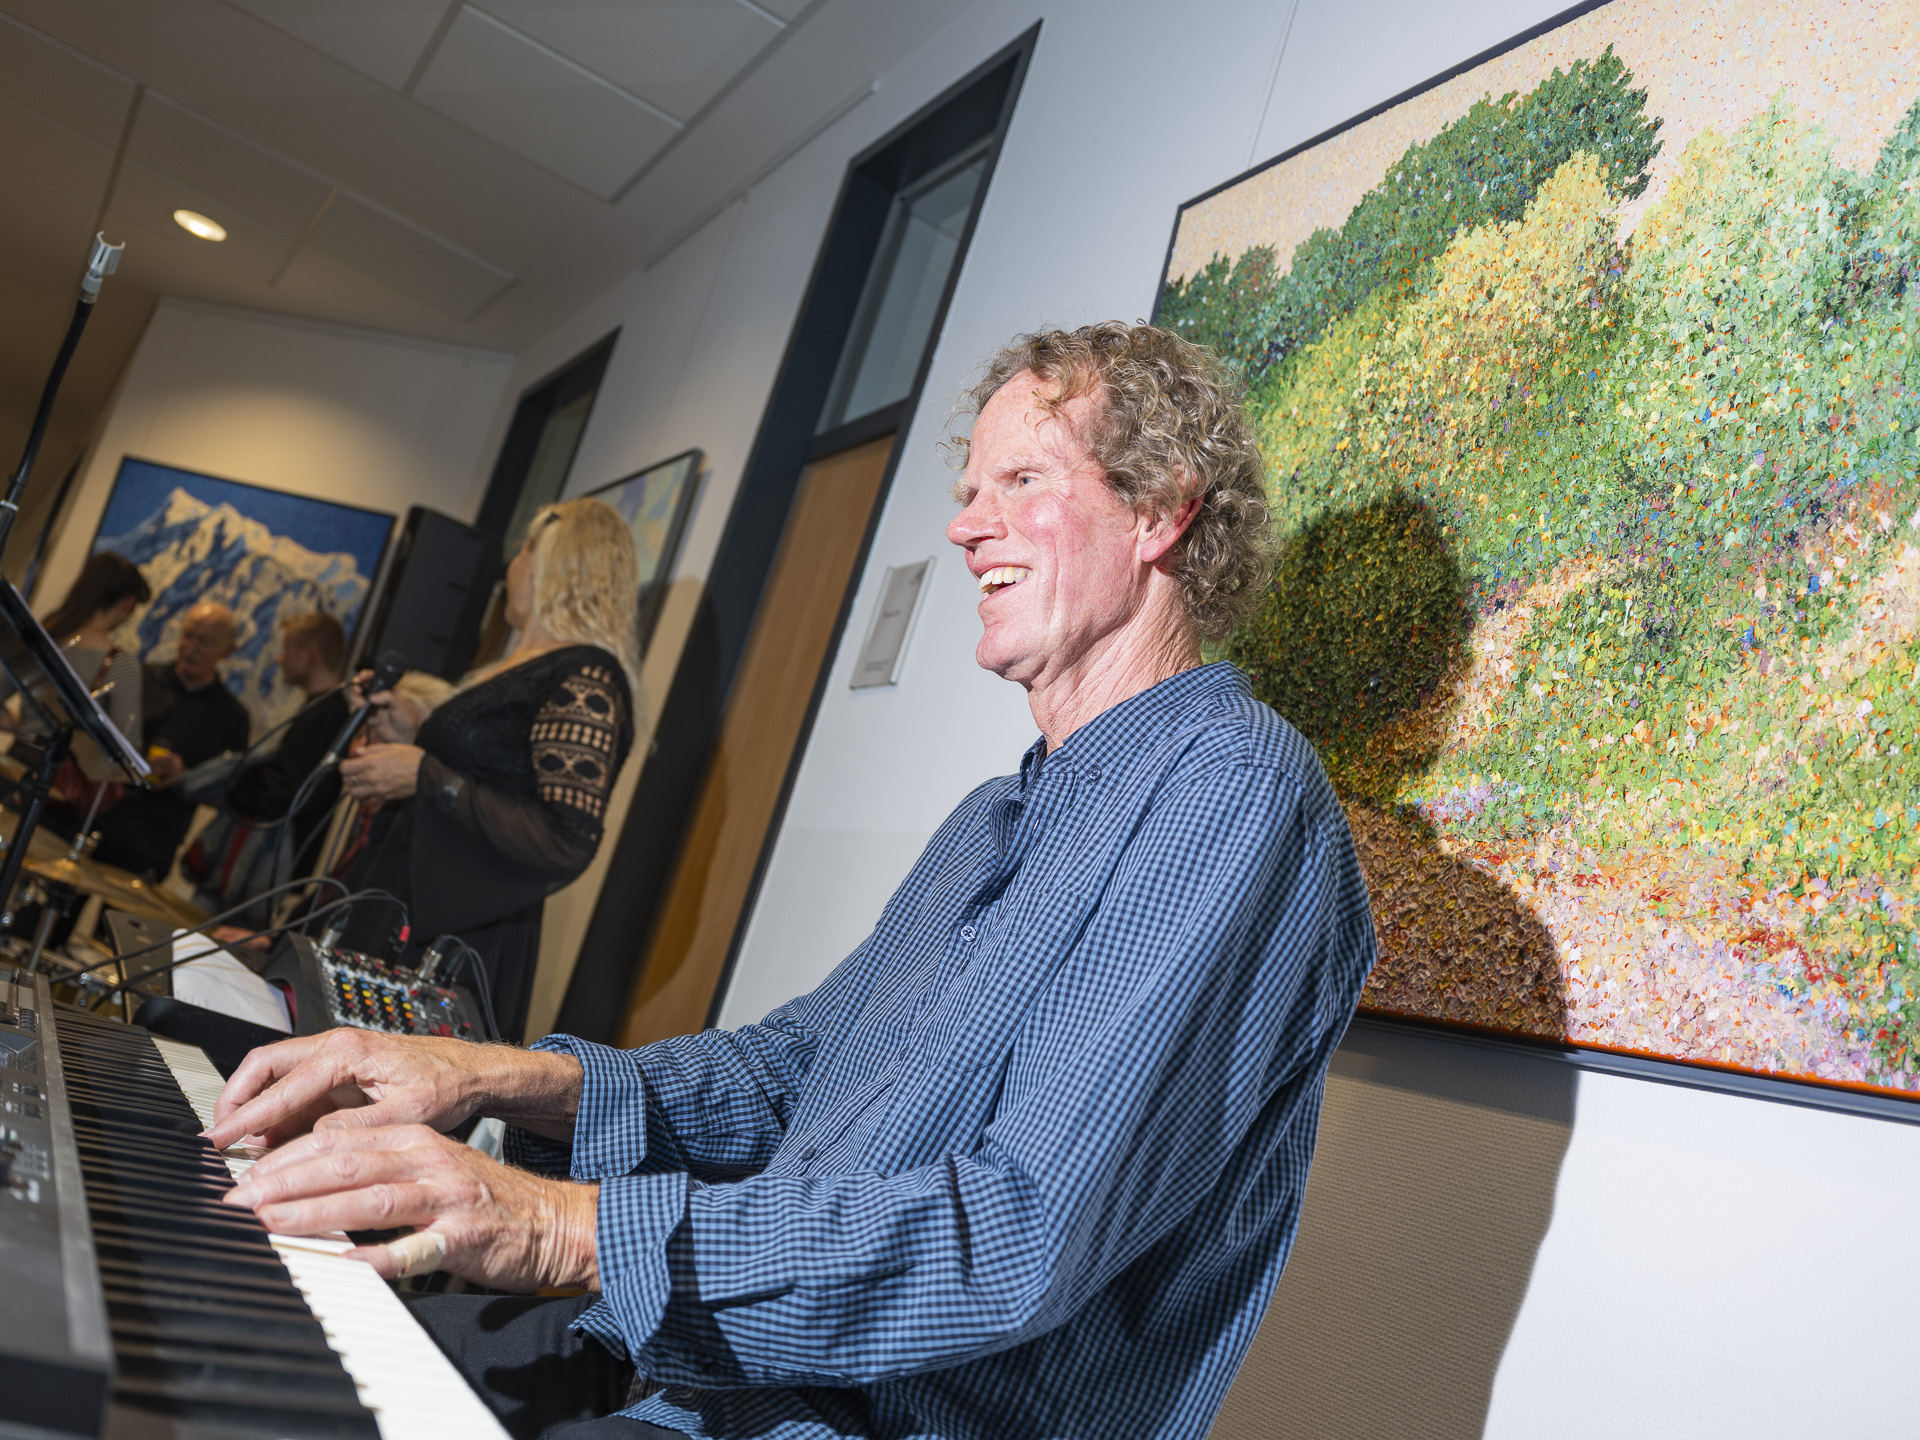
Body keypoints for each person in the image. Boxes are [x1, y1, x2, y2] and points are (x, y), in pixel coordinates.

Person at [208, 324, 1378, 1440]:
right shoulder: (998, 816)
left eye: (1020, 481)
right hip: (713, 1361)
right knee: (257, 1328)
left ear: (1163, 508)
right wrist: (482, 1077)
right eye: (971, 491)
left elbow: (1016, 1235)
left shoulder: (1232, 793)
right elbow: (789, 1074)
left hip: (856, 1415)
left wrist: (557, 1225)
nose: (971, 528)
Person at [330, 498, 641, 1042]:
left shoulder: (586, 676)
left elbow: (564, 840)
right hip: (403, 908)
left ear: (557, 566)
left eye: (524, 550)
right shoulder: (517, 666)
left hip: (457, 937)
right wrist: (410, 731)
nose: (510, 568)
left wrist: (425, 775)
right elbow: (488, 773)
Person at [184, 612, 352, 921]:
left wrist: (231, 788)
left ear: (309, 653)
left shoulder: (327, 713)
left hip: (267, 872)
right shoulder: (323, 708)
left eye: (287, 649)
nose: (279, 659)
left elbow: (284, 794)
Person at [91, 601, 250, 879]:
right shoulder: (139, 677)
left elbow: (229, 792)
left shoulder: (233, 717)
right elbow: (91, 740)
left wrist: (186, 777)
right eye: (188, 635)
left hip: (156, 840)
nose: (192, 647)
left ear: (228, 651)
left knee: (118, 922)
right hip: (101, 819)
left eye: (205, 642)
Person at [1, 552, 149, 806]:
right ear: (127, 603)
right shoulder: (120, 665)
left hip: (14, 769)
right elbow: (124, 753)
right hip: (62, 786)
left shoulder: (41, 638)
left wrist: (27, 724)